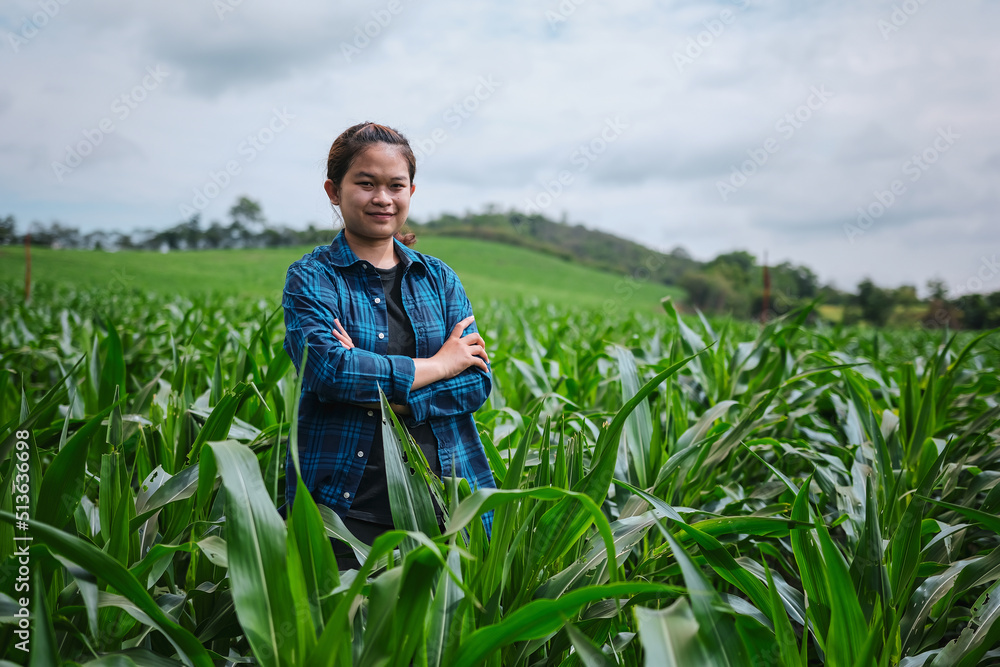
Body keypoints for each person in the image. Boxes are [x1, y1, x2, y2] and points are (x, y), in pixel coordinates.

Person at [281, 121, 496, 569]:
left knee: (445, 637)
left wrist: (384, 397)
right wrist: (440, 364)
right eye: (366, 183)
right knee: (346, 634)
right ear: (333, 191)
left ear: (411, 192)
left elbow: (475, 383)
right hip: (343, 511)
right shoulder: (312, 278)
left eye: (395, 185)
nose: (383, 198)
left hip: (448, 503)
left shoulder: (439, 279)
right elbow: (331, 372)